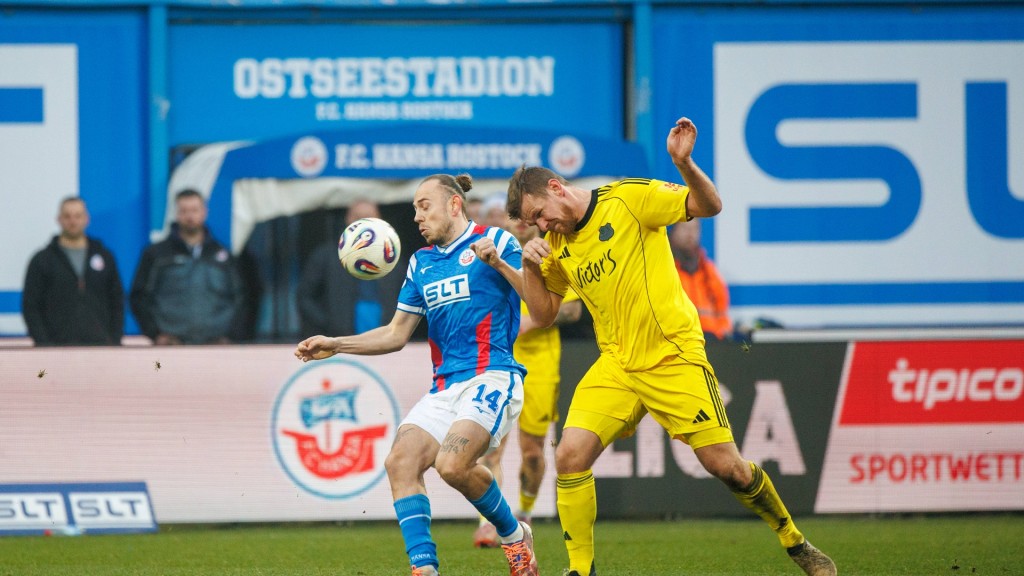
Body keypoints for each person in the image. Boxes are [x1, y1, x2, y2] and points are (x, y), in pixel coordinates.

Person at [506, 117, 837, 576]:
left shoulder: (628, 198)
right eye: (533, 223)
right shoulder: (555, 246)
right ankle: (581, 571)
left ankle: (795, 541)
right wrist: (529, 267)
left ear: (557, 187)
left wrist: (683, 163)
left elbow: (710, 205)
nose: (541, 226)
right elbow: (542, 315)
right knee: (568, 456)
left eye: (540, 213)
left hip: (672, 355)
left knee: (727, 468)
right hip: (618, 364)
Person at [294, 173, 539, 576]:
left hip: (493, 376)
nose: (417, 217)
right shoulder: (421, 263)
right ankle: (424, 569)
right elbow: (395, 334)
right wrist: (336, 344)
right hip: (444, 388)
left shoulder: (495, 241)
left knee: (452, 465)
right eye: (414, 209)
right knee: (400, 462)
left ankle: (514, 535)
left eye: (424, 206)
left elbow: (537, 300)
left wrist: (497, 263)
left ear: (454, 205)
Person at [473, 202, 583, 549]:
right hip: (496, 360)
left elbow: (573, 309)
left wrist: (530, 320)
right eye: (512, 217)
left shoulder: (554, 253)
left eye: (525, 218)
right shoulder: (488, 257)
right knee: (489, 449)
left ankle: (525, 511)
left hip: (540, 362)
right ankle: (488, 523)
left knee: (533, 453)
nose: (519, 224)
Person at [129, 189, 246, 345]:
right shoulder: (156, 254)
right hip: (169, 346)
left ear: (204, 212)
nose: (190, 217)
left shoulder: (223, 255)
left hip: (216, 346)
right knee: (157, 369)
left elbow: (240, 298)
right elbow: (138, 297)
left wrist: (231, 335)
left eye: (194, 210)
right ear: (176, 214)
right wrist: (155, 334)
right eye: (184, 211)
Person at [22, 196, 124, 346]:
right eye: (67, 216)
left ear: (86, 219)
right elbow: (31, 305)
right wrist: (43, 343)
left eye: (78, 216)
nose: (73, 221)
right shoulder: (43, 260)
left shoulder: (104, 256)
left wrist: (114, 340)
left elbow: (117, 300)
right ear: (59, 219)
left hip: (100, 346)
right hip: (56, 347)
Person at [297, 198, 403, 337]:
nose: (365, 224)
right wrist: (329, 324)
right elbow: (304, 297)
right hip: (340, 341)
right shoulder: (326, 256)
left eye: (370, 218)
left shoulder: (392, 258)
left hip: (385, 339)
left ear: (380, 220)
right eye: (359, 218)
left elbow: (409, 299)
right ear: (348, 219)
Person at [669, 218, 732, 340]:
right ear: (673, 232)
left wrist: (720, 335)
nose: (690, 234)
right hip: (677, 343)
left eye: (694, 229)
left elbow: (722, 314)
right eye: (685, 228)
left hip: (711, 342)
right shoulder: (665, 270)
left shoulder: (710, 272)